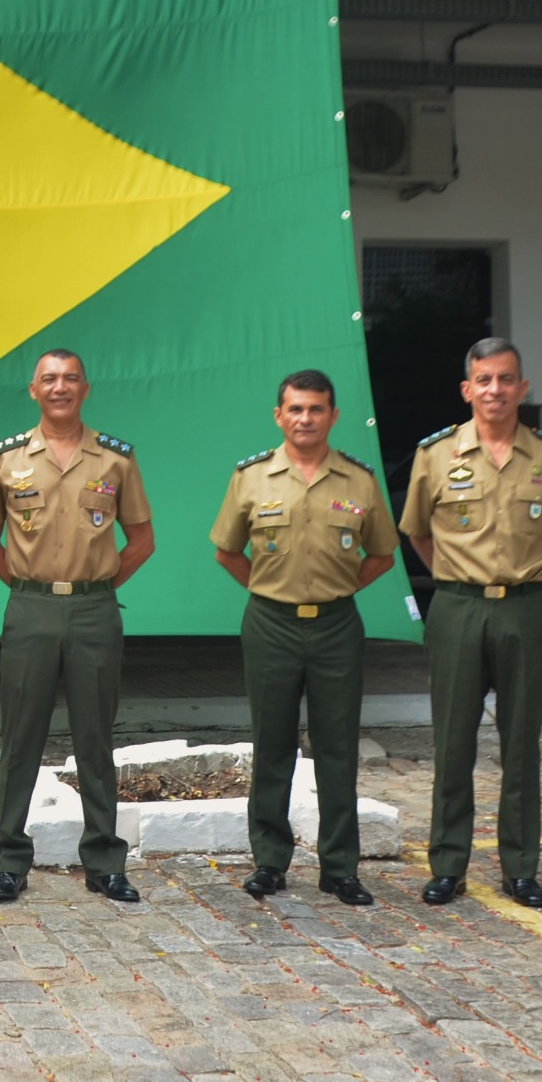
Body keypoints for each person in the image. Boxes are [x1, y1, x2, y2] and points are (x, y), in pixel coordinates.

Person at [399, 338, 542, 910]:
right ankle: (448, 865)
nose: (495, 390)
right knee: (453, 741)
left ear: (522, 388)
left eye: (506, 380)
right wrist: (461, 581)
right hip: (457, 609)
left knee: (522, 744)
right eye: (484, 380)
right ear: (467, 389)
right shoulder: (435, 456)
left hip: (525, 611)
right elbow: (417, 533)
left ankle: (520, 868)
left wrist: (520, 581)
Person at [209, 369, 398, 908]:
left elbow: (382, 555)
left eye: (316, 409)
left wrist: (339, 591)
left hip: (337, 626)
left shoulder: (359, 481)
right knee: (272, 744)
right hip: (270, 625)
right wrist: (269, 591)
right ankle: (269, 862)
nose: (305, 419)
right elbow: (227, 551)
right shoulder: (251, 478)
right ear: (279, 415)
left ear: (333, 416)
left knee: (338, 747)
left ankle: (340, 868)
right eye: (295, 409)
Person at [0, 349, 155, 905]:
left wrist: (95, 586)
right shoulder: (5, 458)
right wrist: (28, 588)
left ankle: (104, 860)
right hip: (29, 609)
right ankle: (9, 860)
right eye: (49, 379)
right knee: (20, 736)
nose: (59, 387)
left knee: (95, 738)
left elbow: (142, 540)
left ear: (85, 387)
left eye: (70, 378)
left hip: (94, 611)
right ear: (33, 391)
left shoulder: (116, 460)